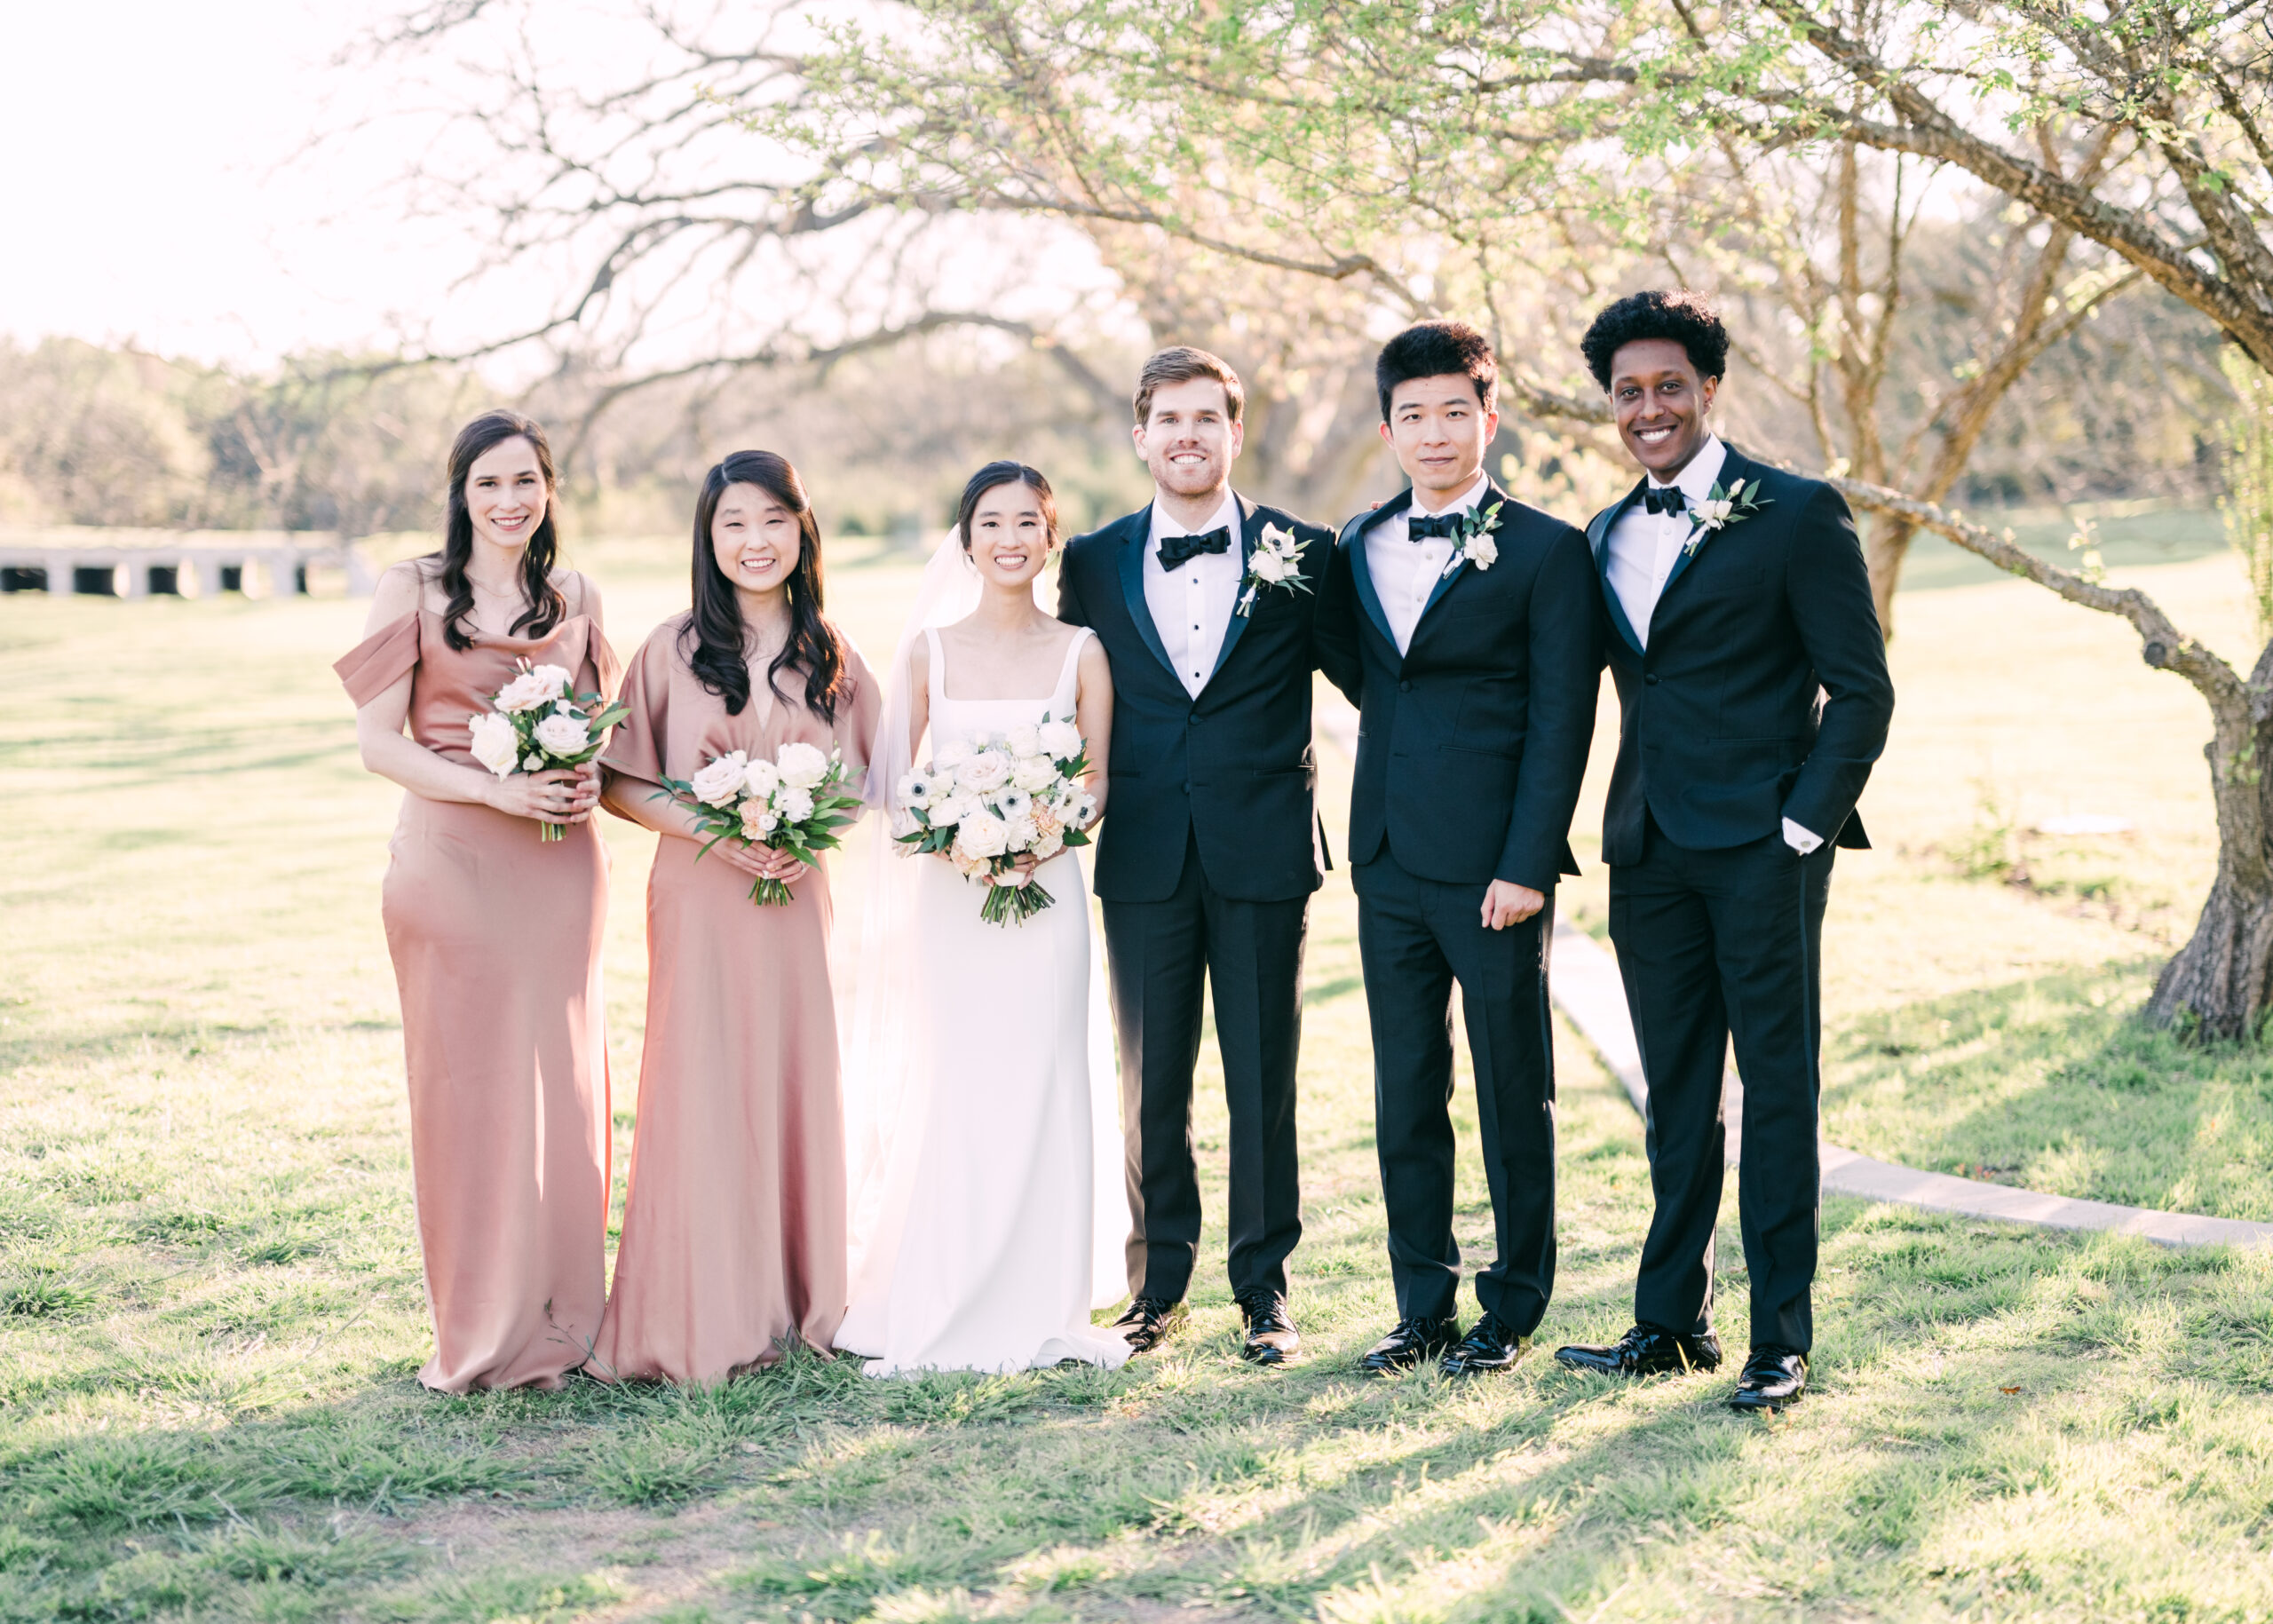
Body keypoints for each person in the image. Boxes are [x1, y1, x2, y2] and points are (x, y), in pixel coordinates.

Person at [1552, 289, 1895, 1413]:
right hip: (1645, 848)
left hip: (1764, 847)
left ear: (1709, 388)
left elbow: (1861, 688)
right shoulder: (1603, 533)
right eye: (1627, 393)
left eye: (1667, 387)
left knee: (1777, 1090)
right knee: (1677, 1093)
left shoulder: (1796, 513)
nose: (1647, 409)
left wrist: (1800, 822)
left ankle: (1779, 1340)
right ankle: (1670, 1322)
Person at [1314, 321, 1598, 1378]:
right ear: (1387, 427)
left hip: (1495, 869)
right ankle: (1419, 1304)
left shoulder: (1545, 548)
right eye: (1411, 415)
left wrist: (1527, 860)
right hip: (1386, 859)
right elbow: (1367, 676)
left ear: (1489, 416)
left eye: (1453, 411)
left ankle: (1512, 1304)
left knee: (1509, 1085)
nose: (1433, 434)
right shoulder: (1357, 543)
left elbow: (1565, 714)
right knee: (1405, 1089)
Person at [1056, 347, 1334, 1363]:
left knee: (1265, 1083)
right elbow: (1058, 690)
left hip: (1263, 851)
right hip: (1140, 853)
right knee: (1150, 1082)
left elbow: (1378, 679)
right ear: (1139, 436)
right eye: (1167, 418)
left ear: (1235, 430)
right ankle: (1155, 1286)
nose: (1186, 435)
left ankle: (1265, 1293)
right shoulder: (1087, 559)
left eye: (1206, 418)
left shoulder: (1303, 550)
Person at [335, 409, 616, 1392]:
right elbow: (378, 742)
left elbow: (602, 731)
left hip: (557, 864)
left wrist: (583, 777)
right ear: (460, 490)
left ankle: (569, 1320)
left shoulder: (573, 593)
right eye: (489, 483)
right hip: (450, 862)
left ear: (550, 489)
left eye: (526, 482)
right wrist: (494, 786)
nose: (509, 501)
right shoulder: (411, 587)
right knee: (468, 1092)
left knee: (561, 1086)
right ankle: (482, 1327)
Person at [836, 462, 1131, 1376]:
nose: (1009, 538)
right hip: (953, 903)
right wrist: (962, 839)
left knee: (1046, 1079)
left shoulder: (1082, 649)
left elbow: (1095, 784)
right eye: (990, 522)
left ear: (1051, 537)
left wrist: (1040, 835)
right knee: (959, 1078)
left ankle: (1041, 1299)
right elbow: (896, 788)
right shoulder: (928, 650)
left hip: (1047, 905)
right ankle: (948, 1286)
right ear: (965, 539)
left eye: (1027, 523)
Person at [592, 449, 881, 1384]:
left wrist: (804, 830)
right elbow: (621, 781)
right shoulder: (672, 648)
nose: (754, 542)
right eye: (733, 524)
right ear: (707, 538)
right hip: (700, 895)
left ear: (803, 529)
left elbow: (876, 781)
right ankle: (705, 1306)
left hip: (796, 900)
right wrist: (721, 827)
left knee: (795, 1077)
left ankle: (803, 1298)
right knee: (704, 1083)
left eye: (772, 520)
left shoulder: (834, 655)